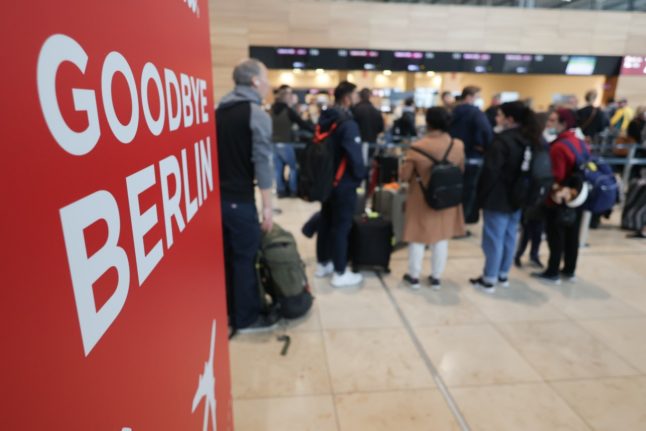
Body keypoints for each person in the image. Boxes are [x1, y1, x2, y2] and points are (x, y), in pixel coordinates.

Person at [216, 59, 278, 332]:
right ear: (254, 81)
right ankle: (247, 318)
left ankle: (230, 309)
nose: (268, 84)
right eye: (265, 78)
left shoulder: (219, 109)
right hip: (240, 201)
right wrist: (268, 207)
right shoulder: (256, 114)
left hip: (215, 200)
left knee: (227, 257)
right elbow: (262, 164)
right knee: (244, 258)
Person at [469, 101, 542, 292]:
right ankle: (502, 274)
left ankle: (489, 278)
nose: (496, 118)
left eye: (500, 115)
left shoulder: (502, 140)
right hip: (519, 196)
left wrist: (480, 196)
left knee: (493, 238)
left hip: (498, 197)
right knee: (510, 236)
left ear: (510, 119)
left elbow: (490, 172)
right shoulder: (531, 138)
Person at [400, 107, 466, 289]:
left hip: (421, 198)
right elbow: (461, 170)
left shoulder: (417, 148)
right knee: (441, 238)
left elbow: (404, 176)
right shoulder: (457, 145)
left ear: (428, 123)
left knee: (417, 237)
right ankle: (436, 277)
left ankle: (414, 276)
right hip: (447, 198)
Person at [314, 81, 366, 287]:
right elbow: (355, 157)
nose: (356, 100)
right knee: (341, 227)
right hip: (343, 184)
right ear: (346, 98)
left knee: (326, 221)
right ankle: (340, 271)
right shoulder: (348, 124)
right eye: (354, 96)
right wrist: (360, 175)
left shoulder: (325, 119)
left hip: (326, 181)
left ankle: (322, 264)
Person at [532, 108, 586, 284]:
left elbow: (556, 175)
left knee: (556, 235)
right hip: (577, 195)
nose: (551, 123)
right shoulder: (579, 142)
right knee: (572, 235)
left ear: (563, 123)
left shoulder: (559, 146)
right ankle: (569, 270)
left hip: (559, 197)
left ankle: (552, 271)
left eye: (554, 120)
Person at [515, 110, 557, 269]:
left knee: (535, 226)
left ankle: (531, 254)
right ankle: (521, 253)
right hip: (533, 188)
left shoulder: (544, 142)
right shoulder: (535, 142)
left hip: (539, 188)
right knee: (528, 225)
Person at [449, 85, 494, 226]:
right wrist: (486, 147)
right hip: (472, 158)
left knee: (453, 190)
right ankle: (461, 224)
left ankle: (451, 221)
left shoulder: (452, 112)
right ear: (470, 97)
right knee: (468, 192)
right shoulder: (476, 113)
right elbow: (487, 133)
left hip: (452, 157)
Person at [271, 85, 314, 198]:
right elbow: (301, 123)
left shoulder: (271, 110)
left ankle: (280, 191)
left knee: (278, 169)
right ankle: (293, 190)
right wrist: (315, 129)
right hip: (286, 143)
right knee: (293, 167)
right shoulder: (288, 110)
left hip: (273, 144)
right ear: (286, 98)